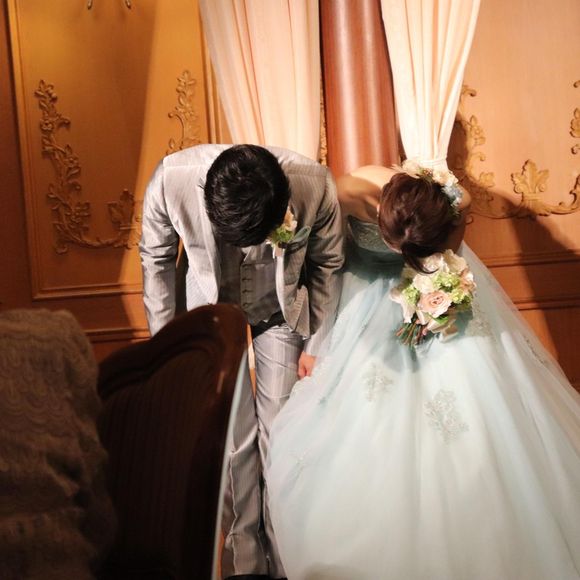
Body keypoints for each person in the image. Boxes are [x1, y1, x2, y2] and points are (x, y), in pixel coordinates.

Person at [266, 162, 580, 580]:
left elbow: (454, 246)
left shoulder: (452, 202)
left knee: (476, 402)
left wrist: (437, 287)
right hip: (364, 296)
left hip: (427, 281)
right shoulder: (345, 193)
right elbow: (328, 267)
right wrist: (318, 343)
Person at [139, 144, 344, 580]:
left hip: (280, 309)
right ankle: (244, 563)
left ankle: (289, 558)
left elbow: (328, 263)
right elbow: (155, 261)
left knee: (282, 428)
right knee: (234, 438)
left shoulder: (315, 185)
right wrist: (168, 349)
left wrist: (317, 344)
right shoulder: (171, 180)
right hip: (211, 310)